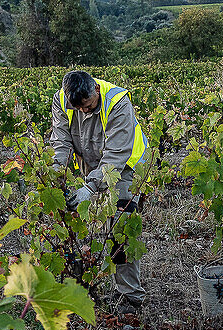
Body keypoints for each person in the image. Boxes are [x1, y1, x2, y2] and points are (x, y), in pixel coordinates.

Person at [50, 69, 149, 310]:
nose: (84, 112)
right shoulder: (62, 100)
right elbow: (61, 141)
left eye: (88, 106)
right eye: (79, 109)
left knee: (120, 228)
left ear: (95, 90)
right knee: (95, 224)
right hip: (91, 165)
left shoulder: (117, 102)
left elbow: (116, 155)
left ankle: (130, 296)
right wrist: (56, 172)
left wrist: (89, 187)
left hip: (126, 166)